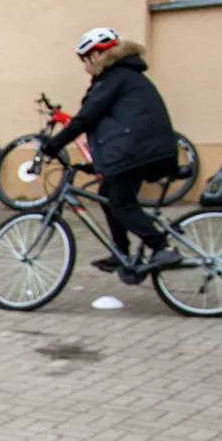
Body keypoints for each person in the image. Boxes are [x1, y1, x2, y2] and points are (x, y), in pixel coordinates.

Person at [40, 27, 183, 284]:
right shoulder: (124, 76)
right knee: (107, 195)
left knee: (120, 202)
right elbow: (113, 124)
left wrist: (52, 145)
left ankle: (163, 247)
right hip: (141, 148)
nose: (84, 67)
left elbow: (86, 118)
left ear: (96, 56)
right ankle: (122, 252)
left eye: (85, 60)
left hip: (139, 150)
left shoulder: (114, 77)